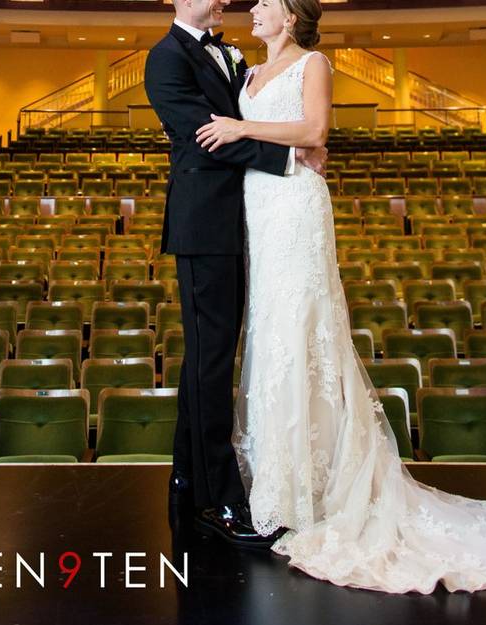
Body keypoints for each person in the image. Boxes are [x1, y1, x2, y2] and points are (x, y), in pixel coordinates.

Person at [193, 0, 486, 592]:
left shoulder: (313, 64)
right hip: (257, 209)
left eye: (266, 1)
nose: (254, 8)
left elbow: (316, 132)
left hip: (294, 205)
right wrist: (254, 134)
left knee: (302, 328)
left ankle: (317, 489)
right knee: (271, 336)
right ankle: (278, 485)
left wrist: (245, 127)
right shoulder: (245, 71)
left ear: (290, 17)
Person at [144, 0, 328, 548]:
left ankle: (186, 478)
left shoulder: (231, 54)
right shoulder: (164, 58)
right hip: (205, 224)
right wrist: (292, 159)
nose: (224, 0)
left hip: (247, 218)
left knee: (209, 355)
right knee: (211, 357)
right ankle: (218, 498)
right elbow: (210, 135)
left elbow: (246, 123)